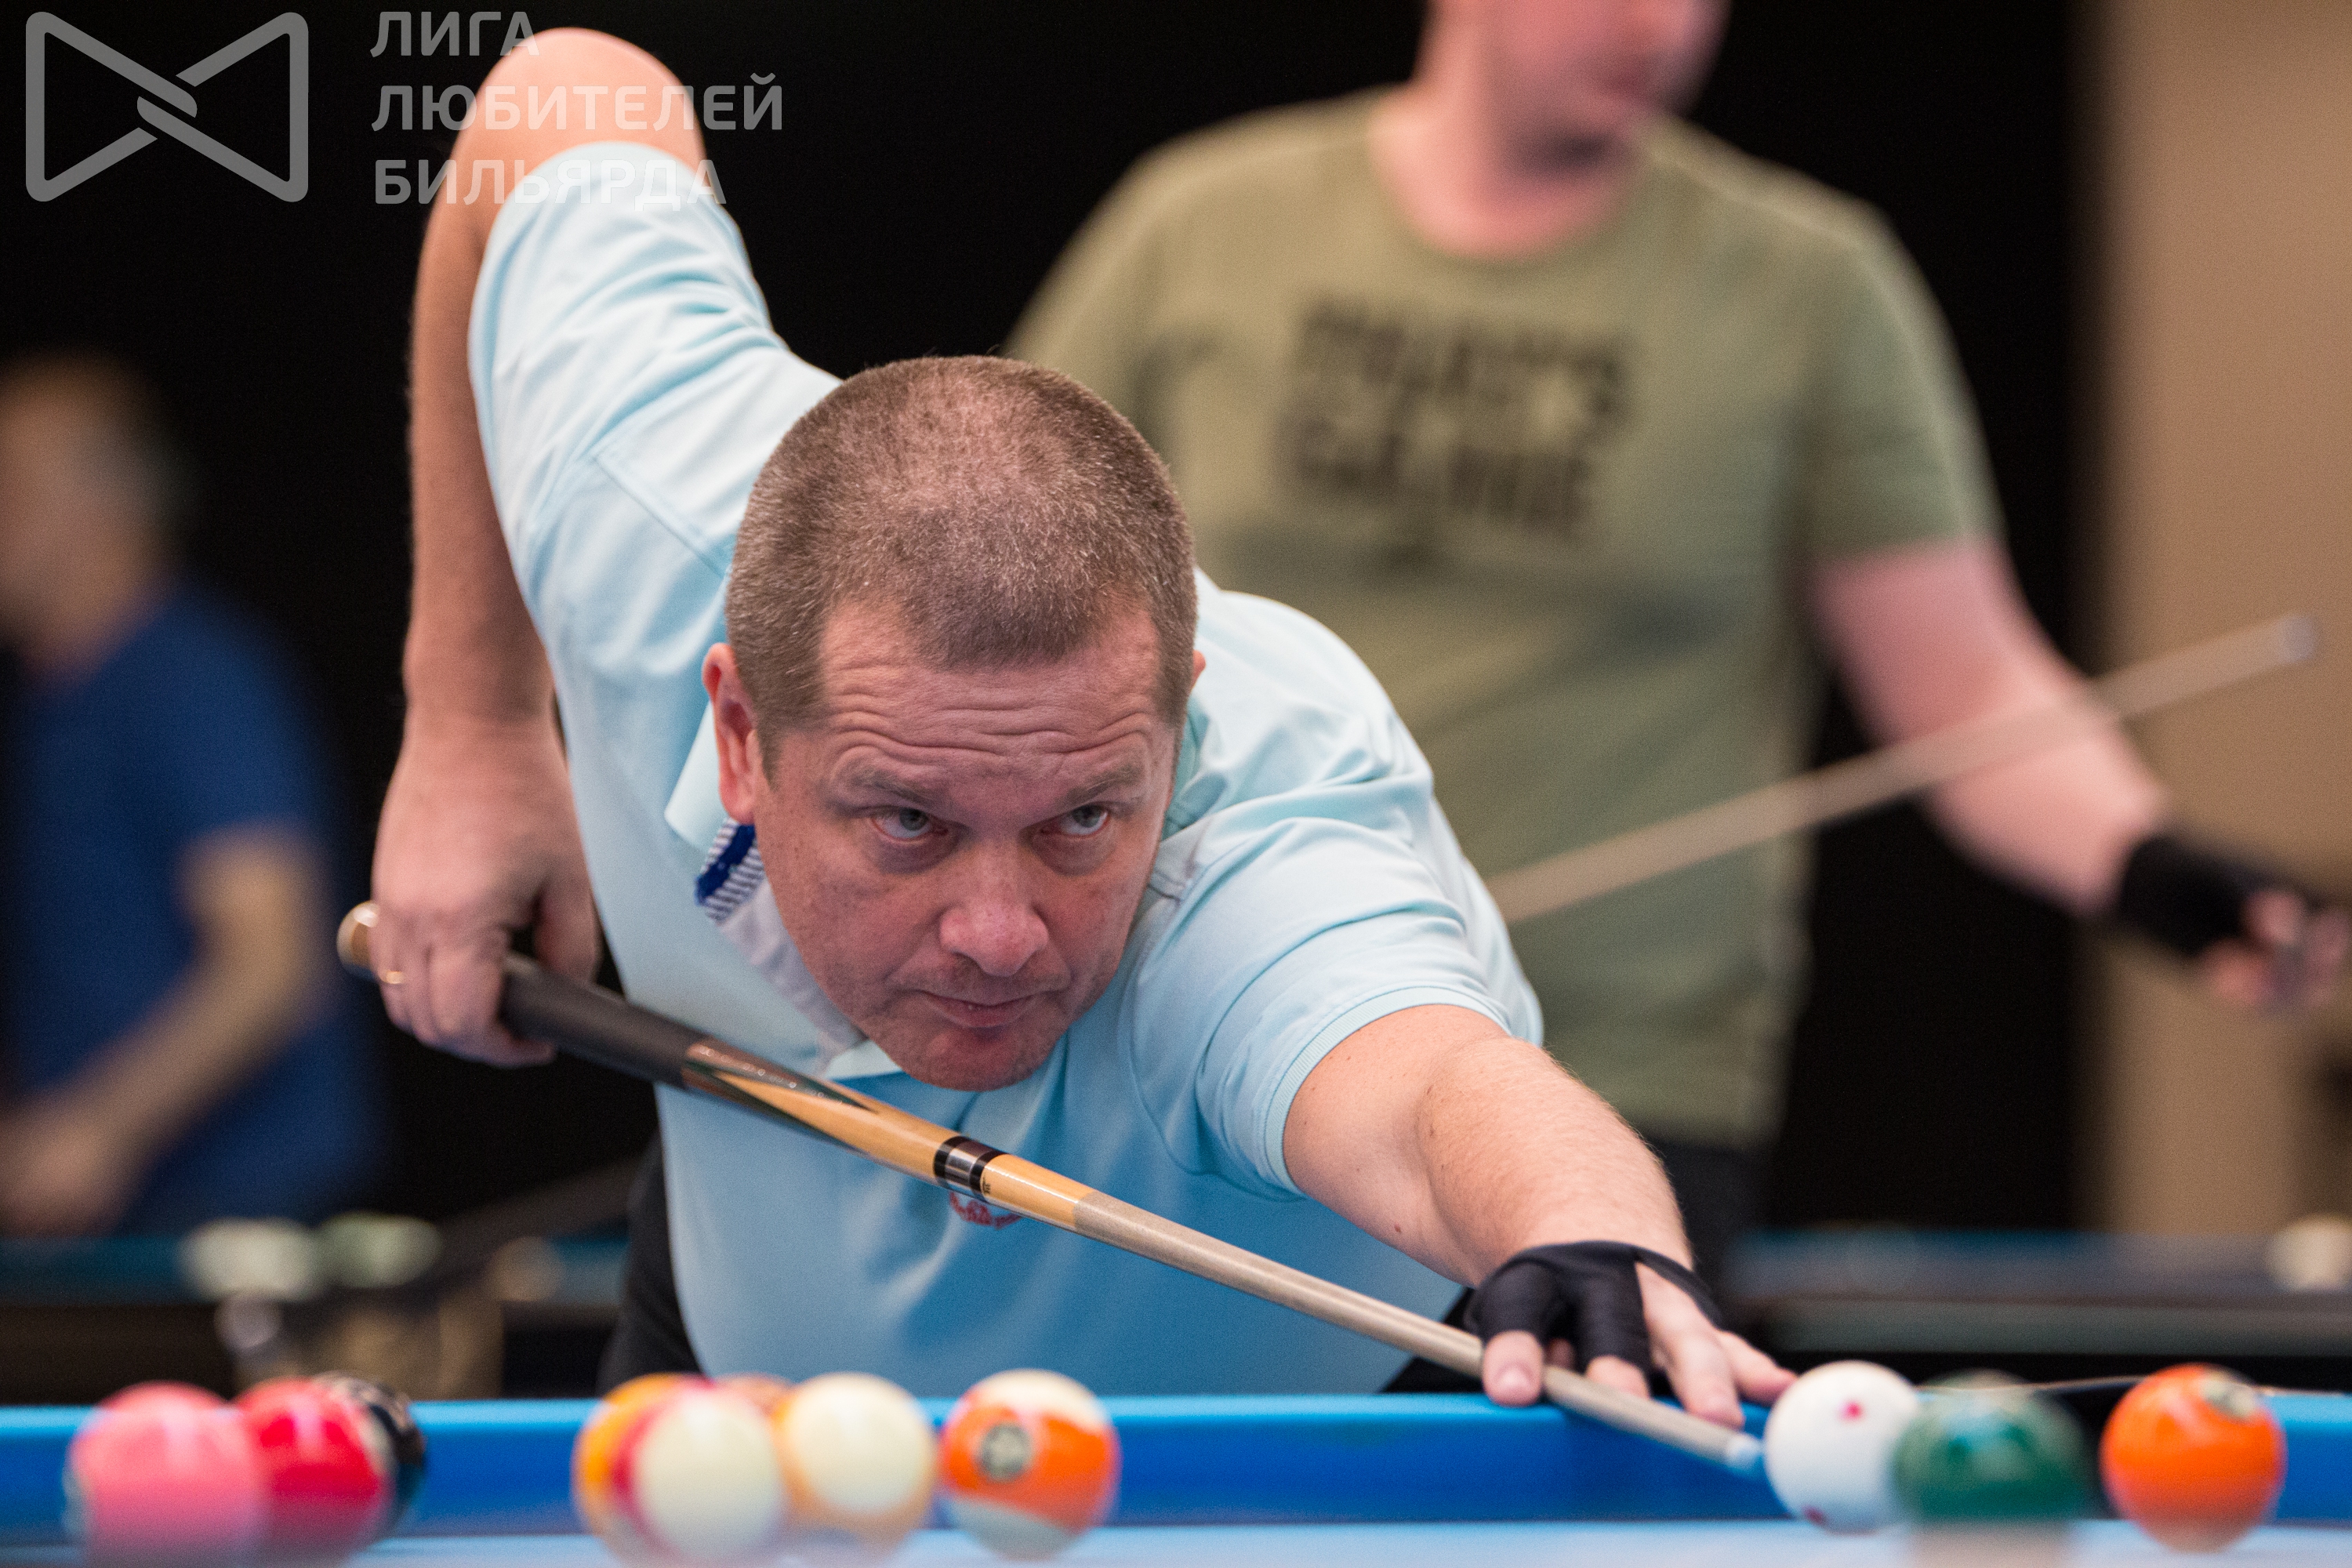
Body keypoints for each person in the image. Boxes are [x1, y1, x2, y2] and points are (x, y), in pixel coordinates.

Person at [367, 27, 1792, 1419]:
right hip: (760, 1307)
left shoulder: (1259, 866)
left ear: (1177, 723)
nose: (1000, 933)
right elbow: (560, 92)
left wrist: (1590, 1232)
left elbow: (1435, 1098)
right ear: (741, 735)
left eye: (1080, 821)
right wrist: (473, 725)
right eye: (908, 821)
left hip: (1279, 1435)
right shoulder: (651, 516)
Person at [1010, 0, 2348, 1285]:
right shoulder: (1200, 226)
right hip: (1220, 1039)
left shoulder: (1807, 286)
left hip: (1621, 1084)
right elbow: (994, 574)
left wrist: (2148, 864)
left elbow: (1968, 684)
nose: (1662, 24)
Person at [0, 354, 382, 1236]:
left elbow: (270, 963)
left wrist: (98, 1128)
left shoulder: (194, 681)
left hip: (239, 1227)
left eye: (12, 486)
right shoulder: (50, 701)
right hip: (107, 1231)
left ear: (103, 504)